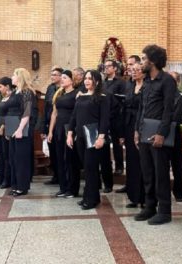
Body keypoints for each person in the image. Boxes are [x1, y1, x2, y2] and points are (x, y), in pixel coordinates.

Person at [134, 45, 177, 225]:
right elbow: (141, 108)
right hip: (144, 131)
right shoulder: (147, 82)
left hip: (158, 133)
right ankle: (149, 206)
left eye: (144, 59)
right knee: (148, 172)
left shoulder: (167, 80)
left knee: (160, 173)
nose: (141, 62)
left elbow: (169, 109)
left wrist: (161, 134)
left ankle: (164, 211)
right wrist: (137, 130)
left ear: (152, 61)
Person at [67, 70, 110, 210]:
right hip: (80, 135)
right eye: (85, 78)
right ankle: (92, 197)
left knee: (91, 168)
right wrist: (69, 133)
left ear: (96, 81)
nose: (86, 81)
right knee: (86, 167)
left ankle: (90, 199)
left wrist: (101, 137)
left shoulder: (102, 98)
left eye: (90, 79)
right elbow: (74, 117)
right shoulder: (80, 97)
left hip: (93, 135)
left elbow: (105, 119)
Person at [48, 70, 80, 198]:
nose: (62, 79)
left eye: (65, 77)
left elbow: (78, 113)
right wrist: (50, 131)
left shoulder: (77, 94)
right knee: (60, 159)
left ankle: (72, 189)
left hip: (70, 129)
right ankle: (63, 187)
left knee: (71, 160)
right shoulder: (59, 95)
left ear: (72, 80)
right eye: (61, 77)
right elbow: (54, 114)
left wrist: (73, 131)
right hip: (59, 129)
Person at [8, 68, 35, 196]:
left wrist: (19, 129)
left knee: (21, 158)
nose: (12, 77)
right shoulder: (14, 92)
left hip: (22, 127)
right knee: (13, 157)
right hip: (12, 126)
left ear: (20, 77)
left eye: (13, 74)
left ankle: (22, 186)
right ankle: (15, 184)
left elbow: (27, 112)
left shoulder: (27, 92)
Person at [116, 55, 141, 194]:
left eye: (132, 65)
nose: (129, 68)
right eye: (128, 65)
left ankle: (139, 189)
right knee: (130, 158)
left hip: (140, 123)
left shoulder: (145, 84)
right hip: (128, 123)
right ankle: (130, 186)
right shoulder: (129, 84)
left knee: (139, 159)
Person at [121, 62, 145, 208]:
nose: (134, 72)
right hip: (129, 125)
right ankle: (134, 196)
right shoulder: (129, 86)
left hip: (142, 125)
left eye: (137, 70)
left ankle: (144, 196)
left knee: (143, 161)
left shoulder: (147, 87)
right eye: (132, 70)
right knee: (131, 161)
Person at [103, 59, 126, 176]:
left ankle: (119, 166)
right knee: (105, 142)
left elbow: (123, 99)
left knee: (117, 143)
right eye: (105, 66)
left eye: (109, 66)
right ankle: (107, 165)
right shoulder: (103, 83)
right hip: (105, 116)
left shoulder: (121, 83)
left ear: (115, 68)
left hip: (116, 116)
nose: (106, 68)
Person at [41, 67, 63, 185]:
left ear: (61, 76)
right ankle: (55, 176)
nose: (52, 77)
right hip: (50, 123)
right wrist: (44, 127)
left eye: (55, 75)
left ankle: (62, 177)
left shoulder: (64, 89)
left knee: (60, 152)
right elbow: (46, 108)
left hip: (61, 123)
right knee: (52, 151)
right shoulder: (50, 88)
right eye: (52, 74)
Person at [168, 71, 182, 202]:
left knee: (177, 165)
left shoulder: (181, 97)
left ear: (177, 82)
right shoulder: (161, 94)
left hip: (174, 134)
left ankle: (179, 192)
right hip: (162, 134)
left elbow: (178, 117)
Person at [0, 77, 14, 189]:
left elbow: (9, 114)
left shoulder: (12, 98)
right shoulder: (2, 97)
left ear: (7, 86)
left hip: (6, 128)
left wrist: (3, 127)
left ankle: (7, 180)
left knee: (6, 155)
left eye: (0, 87)